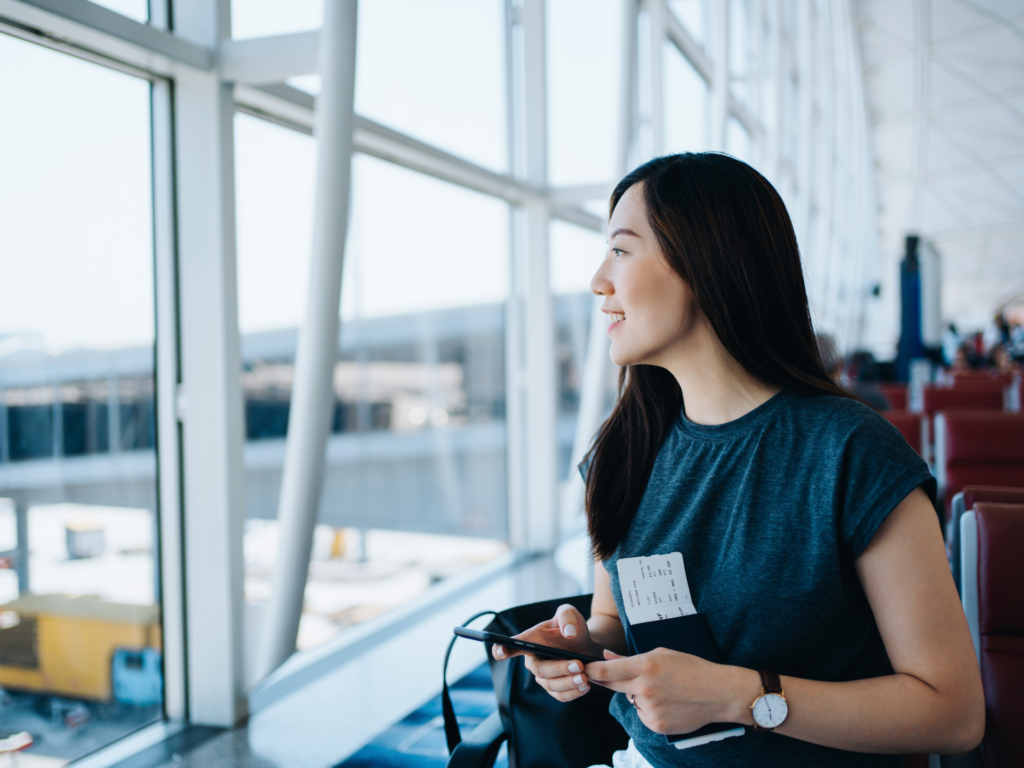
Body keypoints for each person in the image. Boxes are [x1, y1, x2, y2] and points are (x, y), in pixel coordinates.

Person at [492, 154, 984, 767]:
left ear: (704, 261)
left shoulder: (850, 452)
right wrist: (579, 644)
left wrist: (740, 696)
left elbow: (953, 713)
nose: (598, 280)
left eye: (621, 250)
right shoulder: (621, 453)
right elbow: (617, 622)